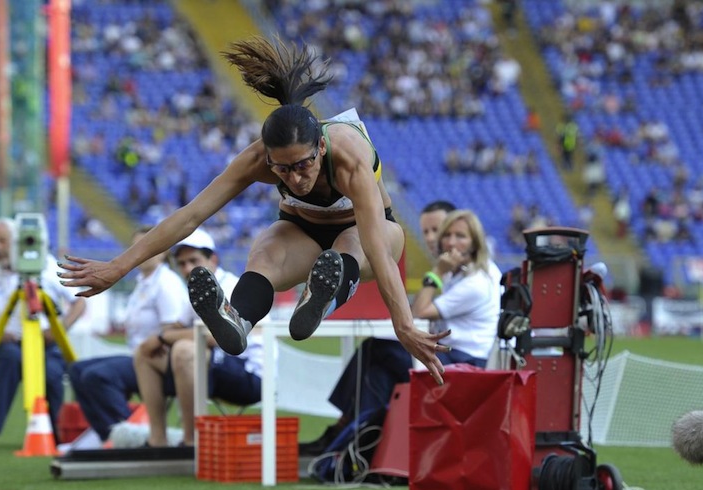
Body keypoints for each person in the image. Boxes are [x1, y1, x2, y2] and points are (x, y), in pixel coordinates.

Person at [58, 35, 449, 385]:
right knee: (264, 251)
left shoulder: (350, 156)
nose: (295, 179)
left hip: (369, 233)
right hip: (301, 229)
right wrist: (118, 265)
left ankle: (322, 293)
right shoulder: (256, 160)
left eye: (304, 165)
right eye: (283, 169)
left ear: (321, 149)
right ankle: (238, 318)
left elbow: (377, 245)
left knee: (351, 245)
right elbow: (192, 215)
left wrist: (404, 324)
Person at [306, 206, 500, 455]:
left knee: (374, 348)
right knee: (377, 374)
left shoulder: (475, 282)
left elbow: (418, 312)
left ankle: (343, 429)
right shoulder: (465, 275)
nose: (451, 242)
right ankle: (355, 448)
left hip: (460, 362)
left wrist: (437, 273)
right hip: (448, 355)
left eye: (460, 236)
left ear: (475, 242)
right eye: (447, 235)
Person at [132, 229, 262, 447]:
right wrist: (165, 337)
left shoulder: (232, 287)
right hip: (216, 368)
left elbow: (218, 337)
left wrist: (164, 338)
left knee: (184, 349)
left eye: (194, 261)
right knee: (144, 352)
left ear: (213, 259)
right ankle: (157, 440)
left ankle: (191, 441)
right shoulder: (194, 294)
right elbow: (178, 326)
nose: (187, 269)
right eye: (182, 263)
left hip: (250, 372)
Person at [0, 217, 86, 452]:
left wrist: (58, 329)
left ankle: (55, 432)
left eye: (2, 240)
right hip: (6, 345)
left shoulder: (49, 266)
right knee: (9, 358)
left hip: (47, 343)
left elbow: (79, 303)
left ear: (16, 241)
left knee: (52, 372)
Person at [67, 226, 190, 443]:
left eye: (146, 246)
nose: (140, 252)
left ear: (162, 251)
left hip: (156, 360)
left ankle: (132, 433)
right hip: (137, 355)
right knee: (77, 370)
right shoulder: (145, 282)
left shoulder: (166, 283)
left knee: (97, 376)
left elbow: (174, 329)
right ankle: (111, 435)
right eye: (135, 247)